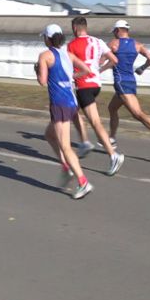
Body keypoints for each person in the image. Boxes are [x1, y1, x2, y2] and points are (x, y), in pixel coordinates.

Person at [35, 23, 94, 199]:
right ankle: (65, 167)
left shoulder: (45, 55)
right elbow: (86, 70)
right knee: (49, 135)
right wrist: (70, 78)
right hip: (71, 102)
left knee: (66, 146)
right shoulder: (68, 54)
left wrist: (37, 70)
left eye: (44, 37)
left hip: (59, 104)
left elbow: (42, 81)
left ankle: (83, 182)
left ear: (47, 38)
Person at [66, 16, 125, 176]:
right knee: (72, 110)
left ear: (75, 28)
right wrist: (100, 69)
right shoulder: (97, 41)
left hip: (83, 85)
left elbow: (68, 66)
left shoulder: (71, 45)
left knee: (96, 122)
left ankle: (113, 156)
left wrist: (74, 75)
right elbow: (114, 59)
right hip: (96, 84)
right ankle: (84, 142)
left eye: (72, 27)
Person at [107, 20, 150, 154]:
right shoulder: (137, 45)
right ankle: (111, 138)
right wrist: (142, 68)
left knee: (137, 113)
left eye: (114, 31)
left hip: (121, 83)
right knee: (112, 108)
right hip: (131, 81)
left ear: (118, 30)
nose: (113, 34)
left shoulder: (114, 44)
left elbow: (102, 59)